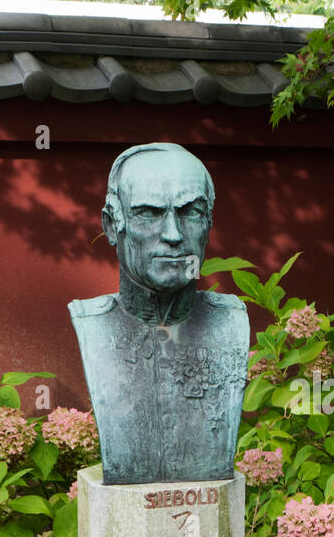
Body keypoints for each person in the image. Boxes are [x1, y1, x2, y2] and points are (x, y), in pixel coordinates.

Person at [69, 143, 249, 484]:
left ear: (209, 222)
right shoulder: (92, 326)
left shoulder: (230, 322)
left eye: (190, 212)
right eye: (149, 213)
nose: (173, 235)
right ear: (111, 225)